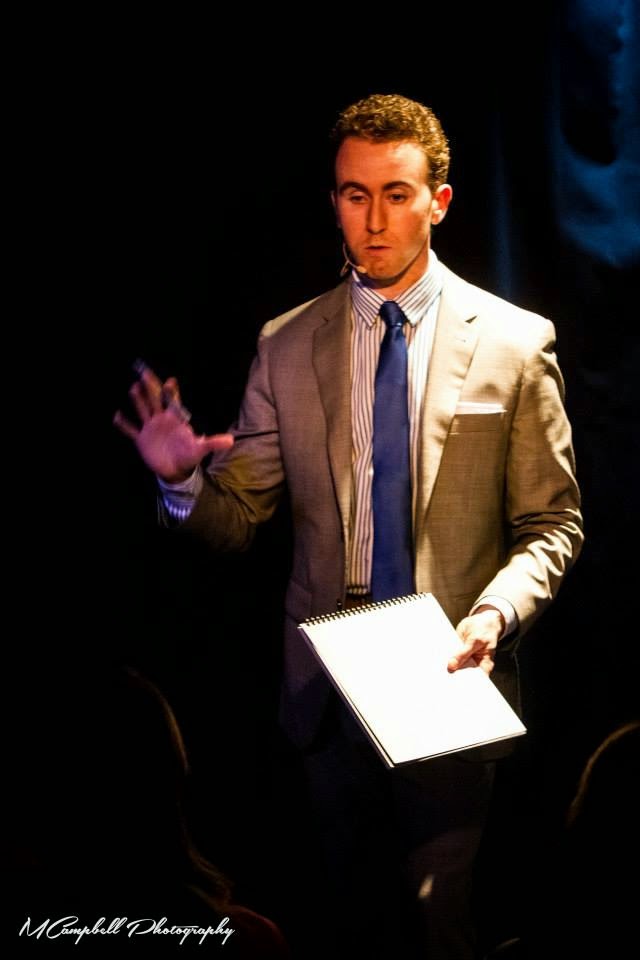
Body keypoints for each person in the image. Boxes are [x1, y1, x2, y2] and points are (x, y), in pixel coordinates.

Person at [114, 94, 583, 959]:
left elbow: (553, 522)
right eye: (354, 194)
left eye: (396, 194)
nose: (373, 220)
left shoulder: (515, 343)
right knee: (346, 927)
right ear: (333, 199)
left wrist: (494, 613)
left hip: (450, 675)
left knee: (442, 926)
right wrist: (180, 479)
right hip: (327, 691)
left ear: (439, 201)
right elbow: (237, 519)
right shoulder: (287, 344)